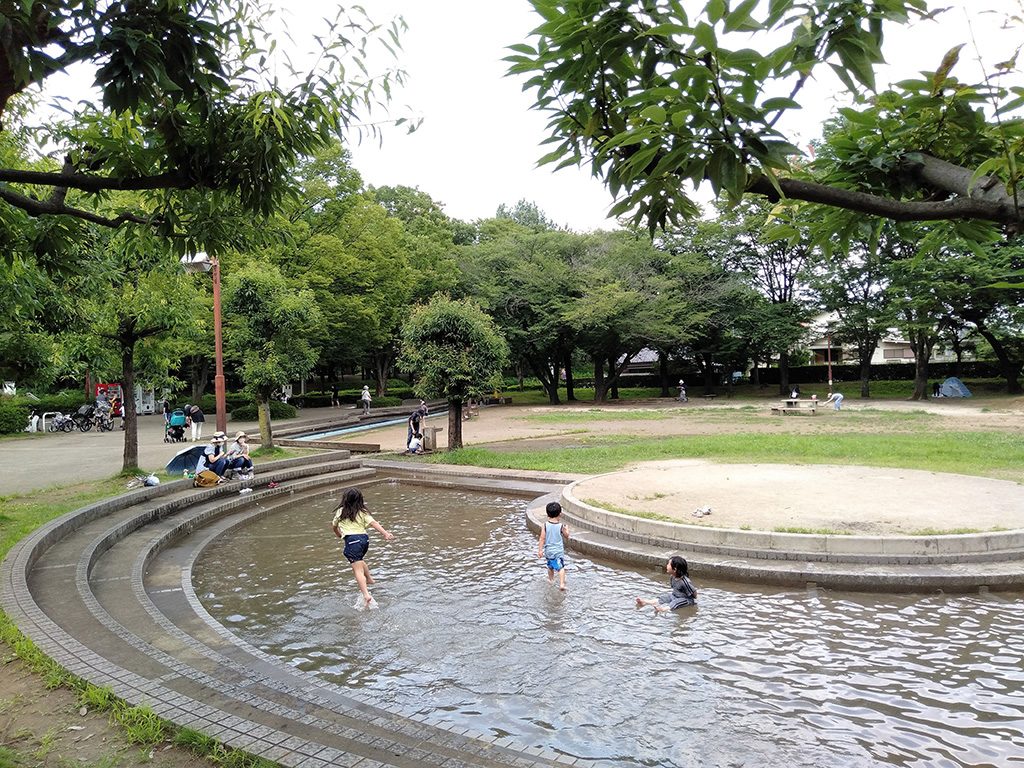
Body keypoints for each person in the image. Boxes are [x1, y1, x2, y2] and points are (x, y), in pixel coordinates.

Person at [331, 488, 394, 609]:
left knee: (357, 570)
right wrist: (385, 533)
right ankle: (369, 579)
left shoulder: (340, 512)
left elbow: (334, 526)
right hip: (364, 540)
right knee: (360, 561)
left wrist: (339, 535)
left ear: (345, 499)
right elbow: (373, 523)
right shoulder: (362, 511)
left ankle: (366, 595)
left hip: (352, 541)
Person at [537, 501, 570, 591]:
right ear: (560, 514)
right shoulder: (560, 526)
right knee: (561, 568)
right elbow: (567, 536)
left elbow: (542, 538)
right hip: (558, 551)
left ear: (547, 514)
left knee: (550, 566)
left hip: (548, 551)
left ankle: (551, 580)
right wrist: (567, 529)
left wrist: (540, 550)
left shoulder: (545, 525)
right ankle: (562, 584)